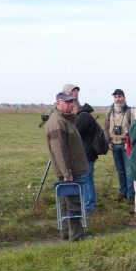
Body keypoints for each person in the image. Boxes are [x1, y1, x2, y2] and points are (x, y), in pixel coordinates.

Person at [45, 91, 89, 241]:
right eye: (67, 102)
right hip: (69, 170)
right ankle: (77, 236)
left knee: (66, 202)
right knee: (73, 203)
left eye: (72, 102)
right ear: (58, 103)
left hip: (71, 168)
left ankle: (66, 234)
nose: (71, 105)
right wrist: (66, 172)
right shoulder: (57, 122)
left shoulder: (66, 119)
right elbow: (59, 150)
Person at [103, 88, 134, 204]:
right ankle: (123, 192)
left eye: (120, 96)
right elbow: (105, 128)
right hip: (114, 145)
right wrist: (108, 142)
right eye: (115, 97)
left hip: (126, 145)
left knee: (129, 171)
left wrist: (129, 143)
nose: (117, 99)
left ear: (124, 98)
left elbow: (134, 129)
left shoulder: (131, 111)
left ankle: (131, 195)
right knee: (120, 171)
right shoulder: (109, 112)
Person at [74, 102, 100, 214]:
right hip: (89, 152)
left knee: (85, 179)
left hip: (86, 153)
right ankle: (91, 204)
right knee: (88, 179)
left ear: (74, 106)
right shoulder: (86, 115)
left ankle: (88, 207)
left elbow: (75, 133)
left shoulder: (82, 117)